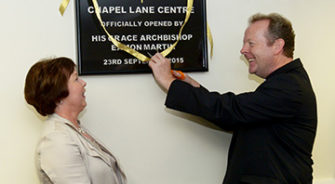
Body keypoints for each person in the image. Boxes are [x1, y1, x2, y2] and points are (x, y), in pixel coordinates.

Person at [148, 13, 317, 184]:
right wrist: (193, 87)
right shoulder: (284, 83)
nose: (243, 50)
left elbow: (231, 110)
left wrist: (169, 82)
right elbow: (235, 117)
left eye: (251, 43)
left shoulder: (289, 86)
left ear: (277, 46)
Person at [24, 57, 126, 184]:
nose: (83, 83)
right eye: (76, 79)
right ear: (59, 94)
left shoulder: (74, 129)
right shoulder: (57, 139)